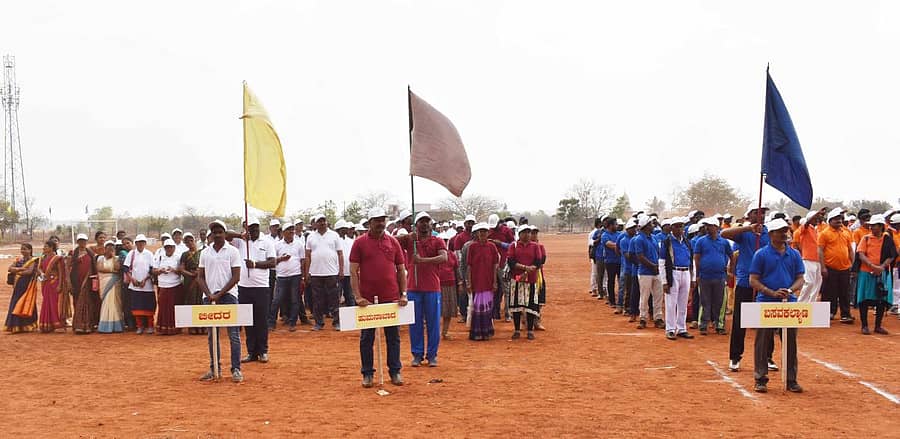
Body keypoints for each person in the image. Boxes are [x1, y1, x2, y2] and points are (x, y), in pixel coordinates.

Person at [349, 208, 408, 388]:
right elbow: (353, 271)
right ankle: (367, 374)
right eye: (377, 220)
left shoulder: (393, 242)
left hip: (390, 297)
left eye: (382, 220)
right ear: (369, 222)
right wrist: (357, 296)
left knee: (393, 337)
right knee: (367, 338)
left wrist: (403, 293)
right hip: (367, 300)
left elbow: (401, 269)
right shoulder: (359, 243)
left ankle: (395, 371)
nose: (380, 223)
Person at [749, 218, 804, 394]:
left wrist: (789, 290)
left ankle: (791, 379)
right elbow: (753, 280)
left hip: (789, 303)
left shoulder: (794, 254)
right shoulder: (761, 254)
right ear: (771, 234)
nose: (784, 233)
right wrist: (771, 292)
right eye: (780, 230)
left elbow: (800, 278)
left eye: (785, 230)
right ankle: (760, 378)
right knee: (762, 342)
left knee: (790, 342)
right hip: (766, 303)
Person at [722, 205, 775, 373]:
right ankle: (735, 357)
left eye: (763, 213)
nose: (761, 215)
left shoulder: (769, 233)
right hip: (746, 282)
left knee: (766, 322)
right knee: (740, 321)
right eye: (757, 212)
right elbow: (724, 234)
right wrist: (748, 228)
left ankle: (767, 357)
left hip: (765, 284)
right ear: (749, 215)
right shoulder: (743, 233)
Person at [397, 212, 448, 367]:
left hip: (432, 287)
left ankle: (432, 355)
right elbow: (392, 241)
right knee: (415, 323)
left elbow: (444, 257)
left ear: (431, 224)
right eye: (421, 222)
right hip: (413, 286)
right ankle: (417, 354)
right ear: (416, 224)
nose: (424, 224)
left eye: (427, 222)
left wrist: (422, 261)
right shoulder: (411, 240)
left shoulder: (437, 240)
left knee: (433, 323)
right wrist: (406, 237)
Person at [197, 219, 244, 383]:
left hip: (229, 296)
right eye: (214, 232)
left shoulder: (232, 251)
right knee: (212, 335)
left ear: (225, 234)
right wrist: (209, 294)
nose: (217, 235)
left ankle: (236, 369)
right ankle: (214, 368)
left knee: (234, 334)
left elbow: (236, 277)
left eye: (220, 232)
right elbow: (200, 277)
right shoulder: (205, 253)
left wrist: (219, 294)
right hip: (209, 297)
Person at [231, 218, 276, 362]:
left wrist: (255, 264)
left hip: (261, 287)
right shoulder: (241, 242)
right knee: (247, 320)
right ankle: (251, 352)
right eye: (251, 228)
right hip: (244, 287)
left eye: (256, 227)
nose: (254, 230)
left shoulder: (267, 242)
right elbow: (226, 235)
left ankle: (263, 351)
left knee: (261, 320)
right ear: (246, 228)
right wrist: (240, 236)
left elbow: (272, 262)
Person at [855, 214, 896, 335]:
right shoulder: (866, 238)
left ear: (881, 226)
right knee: (864, 299)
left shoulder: (887, 238)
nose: (872, 228)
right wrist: (873, 266)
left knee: (881, 299)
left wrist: (882, 267)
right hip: (866, 272)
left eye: (874, 226)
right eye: (871, 225)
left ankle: (878, 325)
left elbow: (891, 255)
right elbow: (861, 254)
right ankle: (864, 325)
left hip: (882, 272)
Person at [304, 214, 344, 331]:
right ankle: (318, 323)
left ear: (327, 222)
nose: (322, 223)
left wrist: (341, 270)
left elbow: (340, 253)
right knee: (317, 299)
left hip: (331, 272)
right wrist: (307, 272)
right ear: (315, 224)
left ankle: (337, 322)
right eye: (319, 221)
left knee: (334, 299)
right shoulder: (311, 236)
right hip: (316, 273)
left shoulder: (334, 235)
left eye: (323, 221)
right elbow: (307, 255)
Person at [693, 218, 731, 336]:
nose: (707, 228)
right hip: (705, 276)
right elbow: (697, 258)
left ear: (716, 227)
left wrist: (730, 271)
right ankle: (703, 325)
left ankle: (719, 325)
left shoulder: (724, 242)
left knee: (720, 302)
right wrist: (698, 274)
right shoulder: (701, 241)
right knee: (704, 301)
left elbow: (731, 255)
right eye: (706, 226)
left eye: (710, 226)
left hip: (720, 276)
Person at [817, 208, 854, 323]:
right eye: (836, 219)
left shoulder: (846, 232)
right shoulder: (824, 234)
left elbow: (850, 249)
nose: (839, 221)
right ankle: (828, 313)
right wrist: (823, 267)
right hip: (830, 267)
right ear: (830, 220)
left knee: (845, 292)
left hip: (845, 267)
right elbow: (820, 251)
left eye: (840, 219)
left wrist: (852, 263)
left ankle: (845, 314)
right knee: (829, 291)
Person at [661, 217, 695, 340]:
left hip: (685, 272)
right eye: (677, 226)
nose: (680, 229)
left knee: (683, 302)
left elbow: (692, 260)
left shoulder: (686, 241)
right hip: (673, 272)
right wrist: (664, 281)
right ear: (672, 228)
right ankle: (670, 329)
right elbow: (662, 262)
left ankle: (681, 328)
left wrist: (693, 277)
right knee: (671, 302)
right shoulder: (667, 242)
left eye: (681, 226)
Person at [508, 224, 543, 340]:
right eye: (525, 232)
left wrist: (527, 272)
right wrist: (525, 268)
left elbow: (538, 262)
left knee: (530, 306)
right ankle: (517, 329)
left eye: (529, 232)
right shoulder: (513, 246)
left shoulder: (535, 246)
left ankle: (530, 330)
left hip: (531, 279)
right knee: (517, 305)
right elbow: (511, 262)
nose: (527, 234)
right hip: (517, 278)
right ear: (519, 234)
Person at [466, 222, 499, 340]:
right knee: (477, 307)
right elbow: (469, 266)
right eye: (480, 232)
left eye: (485, 232)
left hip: (488, 281)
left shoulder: (492, 247)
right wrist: (468, 282)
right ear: (477, 234)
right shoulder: (472, 247)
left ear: (488, 233)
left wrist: (495, 281)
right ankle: (477, 332)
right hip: (476, 281)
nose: (483, 234)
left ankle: (486, 331)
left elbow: (495, 264)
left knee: (487, 307)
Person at [270, 221, 304, 332]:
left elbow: (303, 260)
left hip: (296, 275)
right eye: (288, 230)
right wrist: (281, 259)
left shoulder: (299, 244)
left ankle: (292, 323)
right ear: (283, 232)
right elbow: (272, 261)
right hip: (282, 276)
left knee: (295, 300)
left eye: (292, 229)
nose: (291, 231)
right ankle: (271, 323)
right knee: (277, 300)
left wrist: (303, 275)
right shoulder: (277, 245)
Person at [631, 216, 664, 329]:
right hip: (645, 272)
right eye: (650, 224)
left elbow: (658, 253)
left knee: (658, 296)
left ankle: (658, 318)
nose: (653, 226)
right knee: (644, 296)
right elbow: (640, 256)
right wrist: (652, 266)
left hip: (656, 271)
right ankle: (643, 318)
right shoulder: (639, 239)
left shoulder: (654, 238)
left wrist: (657, 266)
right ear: (645, 226)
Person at [3, 243, 39, 333]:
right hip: (18, 285)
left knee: (27, 303)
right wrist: (21, 269)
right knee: (16, 303)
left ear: (30, 250)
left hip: (27, 285)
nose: (23, 251)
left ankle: (28, 325)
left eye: (25, 249)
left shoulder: (33, 260)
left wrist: (16, 270)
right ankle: (16, 326)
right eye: (22, 249)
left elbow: (29, 272)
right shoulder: (19, 259)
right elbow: (10, 268)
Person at [123, 234, 155, 335]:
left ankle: (150, 326)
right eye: (138, 242)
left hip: (147, 285)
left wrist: (145, 280)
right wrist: (132, 279)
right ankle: (140, 326)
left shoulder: (149, 254)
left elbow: (151, 269)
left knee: (149, 306)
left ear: (145, 243)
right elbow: (126, 268)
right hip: (135, 285)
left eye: (142, 242)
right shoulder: (131, 254)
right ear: (136, 243)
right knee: (137, 306)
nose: (140, 244)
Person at [487, 213, 515, 320]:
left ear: (500, 223)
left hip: (503, 264)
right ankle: (494, 313)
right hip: (490, 265)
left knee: (506, 289)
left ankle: (508, 313)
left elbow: (513, 245)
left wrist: (500, 243)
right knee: (493, 289)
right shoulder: (489, 231)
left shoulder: (506, 230)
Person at [152, 239, 183, 335]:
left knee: (173, 307)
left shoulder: (178, 257)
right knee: (163, 307)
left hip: (175, 285)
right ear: (164, 248)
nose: (169, 249)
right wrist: (160, 271)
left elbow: (181, 270)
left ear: (174, 248)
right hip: (163, 285)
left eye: (171, 247)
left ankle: (174, 328)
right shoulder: (160, 257)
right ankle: (163, 328)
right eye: (167, 247)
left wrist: (173, 270)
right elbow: (154, 270)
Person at [70, 234, 99, 334]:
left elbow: (94, 267)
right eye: (80, 241)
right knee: (78, 302)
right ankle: (78, 325)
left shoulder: (90, 253)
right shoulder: (73, 253)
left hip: (88, 282)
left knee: (89, 303)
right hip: (77, 282)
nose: (82, 243)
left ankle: (89, 325)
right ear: (77, 242)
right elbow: (69, 267)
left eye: (84, 241)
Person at [179, 233, 205, 335]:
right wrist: (191, 274)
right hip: (190, 281)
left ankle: (203, 326)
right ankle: (192, 326)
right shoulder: (185, 254)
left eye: (191, 240)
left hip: (202, 279)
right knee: (191, 302)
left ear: (194, 240)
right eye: (187, 241)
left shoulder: (202, 252)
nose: (189, 243)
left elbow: (207, 265)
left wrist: (199, 273)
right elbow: (181, 269)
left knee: (201, 301)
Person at [793, 211, 823, 303]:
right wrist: (814, 215)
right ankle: (801, 303)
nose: (817, 220)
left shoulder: (815, 229)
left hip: (818, 260)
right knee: (809, 282)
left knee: (817, 283)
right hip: (808, 259)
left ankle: (811, 303)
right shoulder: (804, 228)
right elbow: (806, 223)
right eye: (815, 218)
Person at [38, 240, 66, 333]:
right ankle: (47, 324)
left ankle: (57, 325)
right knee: (46, 303)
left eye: (46, 247)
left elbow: (61, 272)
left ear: (51, 248)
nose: (44, 248)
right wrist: (41, 273)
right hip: (46, 283)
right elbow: (40, 269)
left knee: (54, 303)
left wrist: (60, 285)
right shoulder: (44, 258)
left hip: (55, 282)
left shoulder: (57, 258)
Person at [97, 241, 124, 333]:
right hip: (105, 283)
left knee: (115, 303)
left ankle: (117, 326)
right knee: (106, 302)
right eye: (108, 249)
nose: (110, 251)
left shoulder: (116, 258)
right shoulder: (100, 258)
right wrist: (111, 271)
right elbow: (100, 268)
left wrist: (113, 258)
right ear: (104, 249)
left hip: (115, 283)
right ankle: (105, 326)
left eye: (112, 249)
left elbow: (117, 268)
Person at [438, 242, 460, 339]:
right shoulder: (435, 254)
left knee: (448, 310)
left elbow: (456, 269)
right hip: (438, 285)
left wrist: (459, 282)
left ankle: (445, 332)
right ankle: (436, 332)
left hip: (451, 284)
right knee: (437, 310)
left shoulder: (452, 255)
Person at [600, 218, 622, 311]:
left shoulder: (619, 234)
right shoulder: (605, 235)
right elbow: (610, 245)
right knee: (611, 281)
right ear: (610, 226)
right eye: (615, 224)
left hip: (620, 261)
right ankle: (612, 300)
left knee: (621, 281)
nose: (617, 226)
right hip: (610, 261)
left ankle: (621, 301)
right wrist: (620, 246)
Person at [335, 220, 357, 307]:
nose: (346, 230)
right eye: (344, 228)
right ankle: (336, 315)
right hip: (338, 272)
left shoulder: (350, 241)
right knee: (337, 295)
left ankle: (351, 313)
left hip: (349, 272)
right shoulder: (335, 240)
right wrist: (340, 271)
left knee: (350, 295)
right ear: (339, 230)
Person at [589, 217, 604, 297]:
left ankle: (599, 288)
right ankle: (594, 288)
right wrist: (591, 256)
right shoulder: (594, 233)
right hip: (596, 255)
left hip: (599, 255)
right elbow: (590, 245)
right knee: (595, 273)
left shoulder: (602, 232)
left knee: (598, 273)